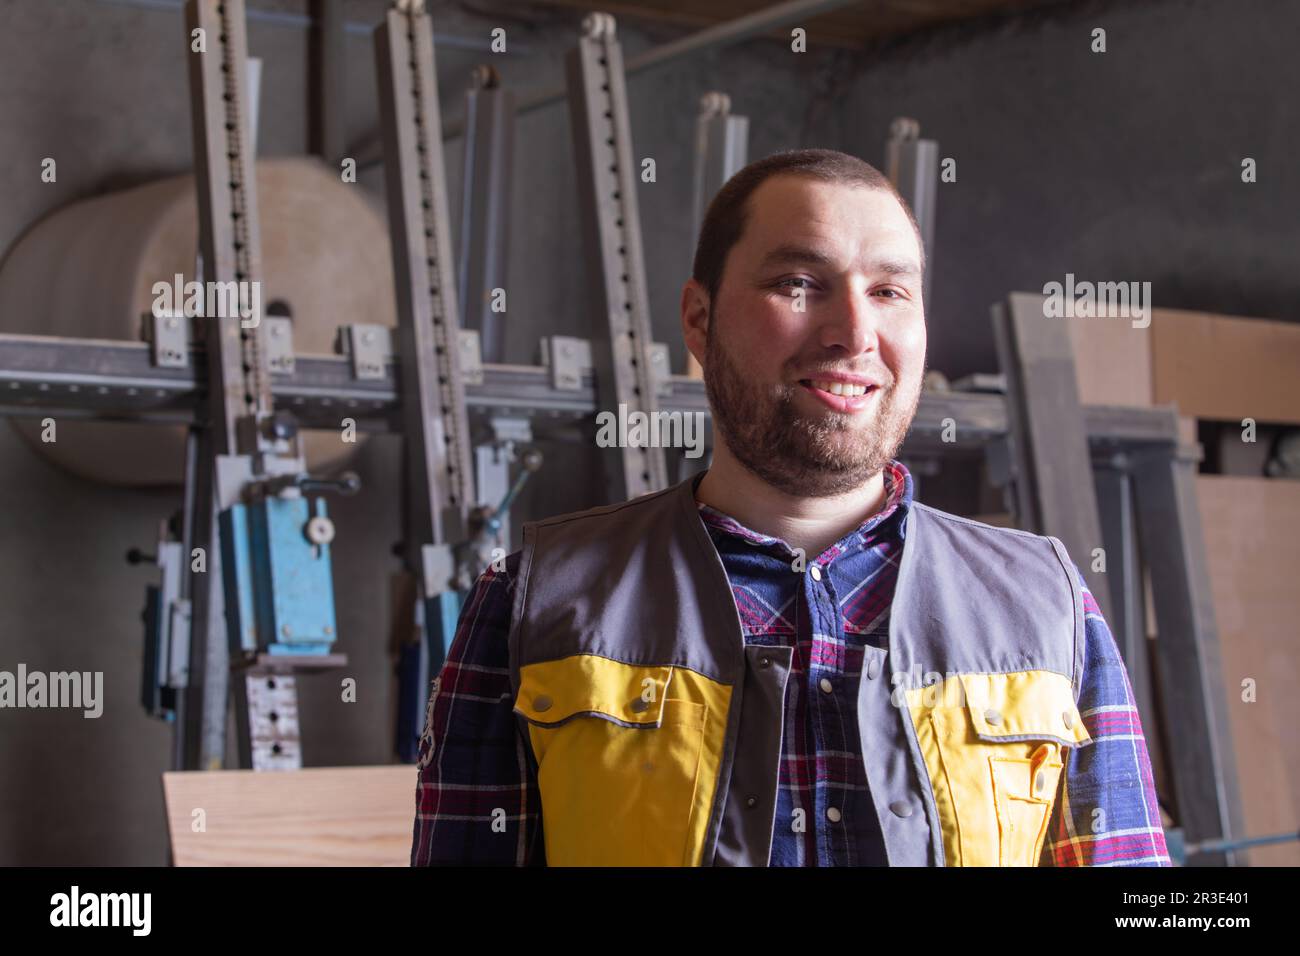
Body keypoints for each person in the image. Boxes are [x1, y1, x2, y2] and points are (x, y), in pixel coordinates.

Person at [411, 148, 1169, 867]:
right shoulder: (532, 603)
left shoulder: (1046, 606)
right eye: (799, 284)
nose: (854, 332)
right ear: (699, 322)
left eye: (888, 291)